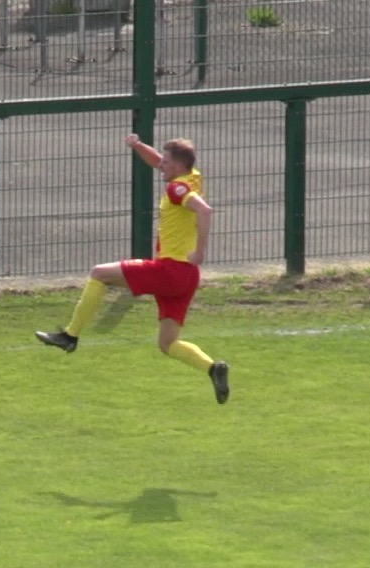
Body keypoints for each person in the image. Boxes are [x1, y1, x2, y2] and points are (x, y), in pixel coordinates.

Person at [34, 133, 231, 406]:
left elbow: (205, 211)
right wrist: (138, 147)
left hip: (169, 270)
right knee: (168, 344)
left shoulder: (177, 190)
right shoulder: (192, 176)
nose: (161, 165)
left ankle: (70, 336)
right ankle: (213, 368)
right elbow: (158, 161)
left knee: (99, 273)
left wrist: (200, 251)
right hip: (187, 277)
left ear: (177, 167)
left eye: (166, 163)